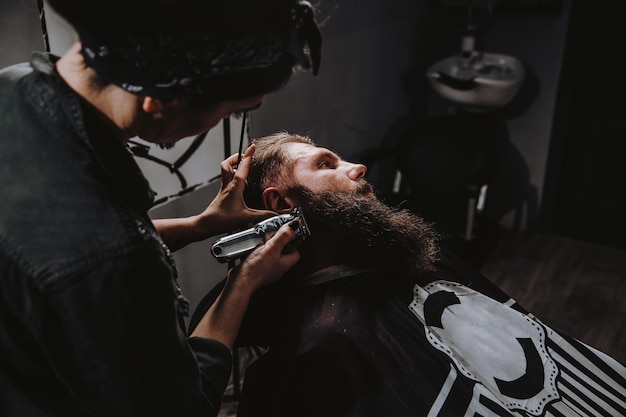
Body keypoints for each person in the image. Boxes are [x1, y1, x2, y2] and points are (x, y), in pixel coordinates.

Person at [0, 1, 321, 416]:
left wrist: (199, 224)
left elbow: (51, 242)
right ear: (160, 100)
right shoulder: (113, 257)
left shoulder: (13, 86)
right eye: (235, 110)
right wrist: (242, 284)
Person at [191, 132, 626, 417]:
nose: (357, 167)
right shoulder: (322, 340)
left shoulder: (420, 263)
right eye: (327, 165)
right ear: (283, 205)